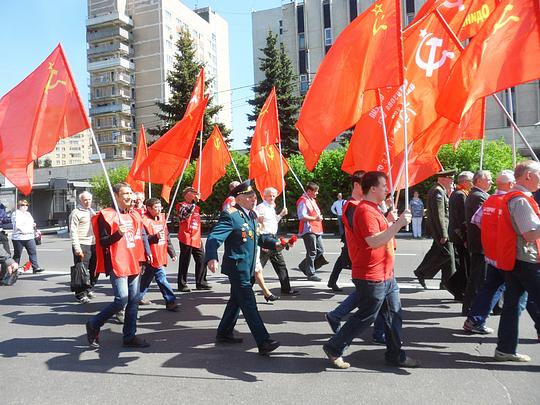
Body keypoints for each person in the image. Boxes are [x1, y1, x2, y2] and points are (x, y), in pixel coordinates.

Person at [322, 171, 419, 369]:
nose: (387, 189)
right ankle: (334, 347)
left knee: (394, 315)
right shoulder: (365, 210)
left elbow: (380, 233)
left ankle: (395, 355)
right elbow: (373, 241)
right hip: (371, 275)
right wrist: (399, 224)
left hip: (386, 274)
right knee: (367, 316)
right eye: (384, 186)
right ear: (373, 188)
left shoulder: (373, 209)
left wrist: (390, 221)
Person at [206, 181, 284, 355]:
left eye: (254, 196)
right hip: (237, 267)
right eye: (249, 196)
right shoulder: (231, 216)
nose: (253, 199)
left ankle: (224, 332)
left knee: (236, 300)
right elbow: (213, 237)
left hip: (248, 266)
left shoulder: (251, 216)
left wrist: (276, 243)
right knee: (249, 304)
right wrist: (211, 256)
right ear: (239, 198)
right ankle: (263, 341)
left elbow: (259, 238)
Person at [85, 182, 150, 349]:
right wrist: (118, 234)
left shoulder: (135, 215)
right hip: (117, 263)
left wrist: (144, 256)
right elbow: (103, 241)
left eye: (130, 193)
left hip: (134, 262)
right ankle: (94, 323)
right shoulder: (106, 215)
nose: (129, 196)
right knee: (122, 299)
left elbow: (138, 238)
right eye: (124, 194)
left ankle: (129, 336)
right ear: (116, 196)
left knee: (134, 300)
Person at [492, 161, 540, 362]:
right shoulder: (519, 199)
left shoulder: (516, 197)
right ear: (528, 175)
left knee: (512, 305)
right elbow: (529, 234)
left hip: (516, 258)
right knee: (513, 305)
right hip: (525, 260)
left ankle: (505, 349)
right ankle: (505, 349)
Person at [413, 170, 457, 295]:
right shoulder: (438, 191)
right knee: (447, 255)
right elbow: (439, 214)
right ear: (443, 179)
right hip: (440, 230)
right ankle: (422, 272)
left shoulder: (439, 190)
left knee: (444, 255)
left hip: (440, 229)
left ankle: (446, 283)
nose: (452, 180)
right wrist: (443, 233)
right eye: (450, 178)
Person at [256, 187, 299, 296]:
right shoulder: (261, 207)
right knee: (258, 267)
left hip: (273, 238)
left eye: (274, 195)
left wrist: (280, 215)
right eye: (269, 195)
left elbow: (273, 221)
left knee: (280, 265)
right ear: (264, 196)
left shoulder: (271, 207)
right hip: (265, 239)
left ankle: (286, 288)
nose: (272, 197)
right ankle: (245, 290)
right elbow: (256, 221)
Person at [327, 170, 364, 292]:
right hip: (352, 241)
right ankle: (359, 288)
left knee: (343, 259)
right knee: (349, 261)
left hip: (354, 241)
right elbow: (355, 226)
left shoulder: (358, 202)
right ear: (356, 185)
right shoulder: (351, 204)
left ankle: (332, 281)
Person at [139, 198, 179, 311]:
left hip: (160, 252)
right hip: (151, 254)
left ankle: (136, 297)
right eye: (155, 207)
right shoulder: (144, 220)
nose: (158, 209)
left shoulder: (162, 218)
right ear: (148, 208)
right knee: (161, 278)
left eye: (159, 207)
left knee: (146, 278)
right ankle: (170, 301)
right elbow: (143, 239)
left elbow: (167, 236)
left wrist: (172, 252)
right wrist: (155, 237)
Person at [462, 170, 492, 315]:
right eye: (489, 179)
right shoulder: (478, 196)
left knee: (478, 276)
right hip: (480, 243)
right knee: (478, 277)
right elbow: (484, 221)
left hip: (478, 242)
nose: (491, 182)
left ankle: (470, 307)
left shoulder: (476, 195)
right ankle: (470, 308)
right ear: (479, 181)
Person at [176, 187, 210, 292]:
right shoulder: (182, 205)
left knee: (202, 259)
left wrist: (196, 203)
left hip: (196, 237)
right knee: (184, 261)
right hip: (186, 237)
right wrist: (194, 203)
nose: (196, 195)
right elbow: (184, 215)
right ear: (187, 194)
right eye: (193, 193)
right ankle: (182, 284)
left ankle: (201, 282)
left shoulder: (196, 207)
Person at [447, 171, 474, 301]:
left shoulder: (459, 193)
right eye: (471, 181)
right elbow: (462, 219)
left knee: (464, 264)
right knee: (465, 264)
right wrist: (465, 238)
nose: (472, 183)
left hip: (458, 234)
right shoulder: (460, 195)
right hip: (460, 235)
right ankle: (455, 287)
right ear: (464, 182)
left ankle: (456, 287)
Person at [69, 191, 98, 304]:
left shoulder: (91, 211)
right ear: (80, 200)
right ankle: (80, 294)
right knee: (81, 270)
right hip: (82, 244)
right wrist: (77, 248)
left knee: (94, 269)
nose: (87, 202)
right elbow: (73, 231)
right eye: (85, 200)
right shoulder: (76, 213)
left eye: (89, 199)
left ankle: (88, 288)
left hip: (93, 244)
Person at [297, 182, 327, 281]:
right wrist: (315, 218)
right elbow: (301, 216)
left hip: (316, 229)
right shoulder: (303, 201)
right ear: (309, 191)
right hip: (308, 229)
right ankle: (311, 273)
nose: (317, 193)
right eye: (315, 191)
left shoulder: (311, 200)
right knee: (312, 251)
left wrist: (318, 218)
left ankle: (303, 266)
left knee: (320, 250)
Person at [11, 199, 44, 274]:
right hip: (19, 237)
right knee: (17, 254)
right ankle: (14, 269)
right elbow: (17, 225)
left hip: (29, 236)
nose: (25, 207)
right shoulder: (16, 213)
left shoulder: (28, 214)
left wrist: (33, 226)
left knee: (33, 252)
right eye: (23, 205)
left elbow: (31, 222)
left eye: (26, 205)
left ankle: (35, 267)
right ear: (19, 206)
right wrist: (24, 231)